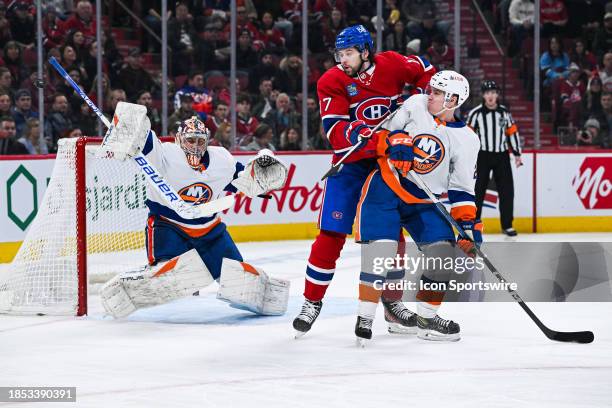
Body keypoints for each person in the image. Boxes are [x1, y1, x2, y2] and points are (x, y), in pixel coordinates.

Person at [292, 25, 436, 337]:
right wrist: (381, 138)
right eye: (339, 54)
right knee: (331, 233)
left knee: (391, 234)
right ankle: (311, 301)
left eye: (348, 53)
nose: (342, 60)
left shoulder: (393, 64)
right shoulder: (331, 81)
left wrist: (419, 103)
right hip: (352, 164)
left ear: (365, 51)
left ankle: (392, 304)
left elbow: (427, 72)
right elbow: (336, 134)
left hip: (387, 165)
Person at [99, 113, 290, 319]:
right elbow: (141, 133)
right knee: (167, 276)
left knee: (238, 280)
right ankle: (130, 288)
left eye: (200, 141)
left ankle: (264, 296)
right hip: (169, 226)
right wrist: (128, 125)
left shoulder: (221, 160)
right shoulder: (164, 154)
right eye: (190, 140)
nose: (196, 146)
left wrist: (258, 176)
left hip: (210, 230)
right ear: (179, 139)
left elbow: (243, 179)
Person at [353, 70, 480, 343]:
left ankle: (427, 318)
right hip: (386, 188)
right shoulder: (415, 104)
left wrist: (468, 225)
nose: (428, 93)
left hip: (423, 200)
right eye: (431, 89)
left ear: (453, 99)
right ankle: (364, 318)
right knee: (381, 251)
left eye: (436, 92)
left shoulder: (468, 139)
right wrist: (395, 141)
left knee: (443, 252)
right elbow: (383, 134)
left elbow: (461, 188)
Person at [467, 80, 523, 237]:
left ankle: (507, 225)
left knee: (507, 191)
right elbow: (467, 137)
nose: (490, 96)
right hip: (482, 156)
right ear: (483, 95)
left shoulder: (504, 113)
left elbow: (512, 133)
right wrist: (468, 157)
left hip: (502, 156)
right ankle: (474, 223)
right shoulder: (475, 114)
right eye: (487, 93)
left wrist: (517, 154)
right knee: (478, 190)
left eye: (493, 93)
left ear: (497, 95)